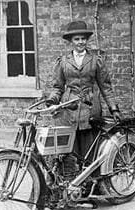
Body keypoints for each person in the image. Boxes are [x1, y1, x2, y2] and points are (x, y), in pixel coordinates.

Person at [46, 20, 122, 159]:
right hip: (69, 109)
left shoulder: (96, 60)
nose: (80, 42)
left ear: (87, 40)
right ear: (71, 41)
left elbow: (105, 87)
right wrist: (52, 101)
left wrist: (114, 108)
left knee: (91, 150)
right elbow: (57, 87)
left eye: (83, 39)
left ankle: (92, 179)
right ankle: (72, 178)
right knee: (69, 150)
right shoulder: (63, 61)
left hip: (90, 108)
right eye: (77, 39)